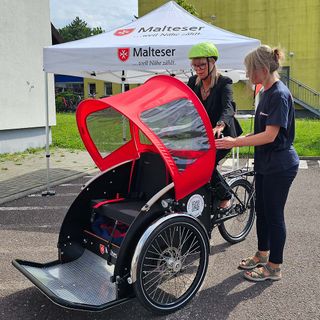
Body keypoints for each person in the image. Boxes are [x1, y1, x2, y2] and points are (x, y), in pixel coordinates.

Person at [216, 45, 299, 281]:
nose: (247, 75)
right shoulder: (265, 92)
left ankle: (274, 267)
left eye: (250, 70)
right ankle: (263, 255)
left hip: (280, 165)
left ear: (262, 69)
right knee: (260, 211)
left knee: (273, 215)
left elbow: (270, 135)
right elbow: (260, 131)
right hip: (266, 163)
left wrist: (235, 143)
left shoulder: (279, 95)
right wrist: (239, 139)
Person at [187, 42, 242, 210]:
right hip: (203, 135)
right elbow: (185, 104)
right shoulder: (193, 82)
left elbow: (228, 107)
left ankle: (225, 196)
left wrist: (220, 125)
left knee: (206, 164)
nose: (198, 69)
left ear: (212, 63)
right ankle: (206, 197)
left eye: (202, 64)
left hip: (223, 135)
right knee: (189, 162)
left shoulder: (224, 82)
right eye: (195, 65)